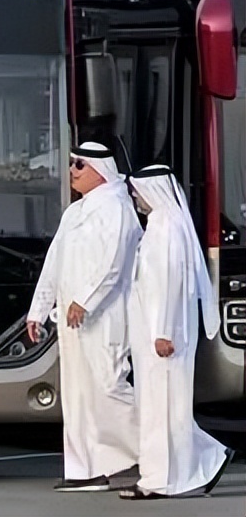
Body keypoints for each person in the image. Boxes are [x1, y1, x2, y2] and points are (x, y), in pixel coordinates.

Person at [26, 142, 141, 491]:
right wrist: (38, 310)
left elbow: (113, 263)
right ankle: (85, 469)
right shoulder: (74, 213)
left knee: (109, 387)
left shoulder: (118, 208)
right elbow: (54, 263)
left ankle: (171, 445)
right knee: (77, 394)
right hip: (72, 318)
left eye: (79, 165)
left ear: (99, 170)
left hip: (105, 315)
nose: (72, 171)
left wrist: (85, 301)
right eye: (72, 164)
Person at [120, 165, 233, 500]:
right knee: (164, 409)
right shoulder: (160, 226)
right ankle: (208, 457)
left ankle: (159, 480)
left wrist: (163, 331)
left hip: (164, 337)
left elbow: (170, 285)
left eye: (138, 190)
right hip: (155, 336)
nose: (135, 196)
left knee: (163, 409)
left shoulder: (167, 228)